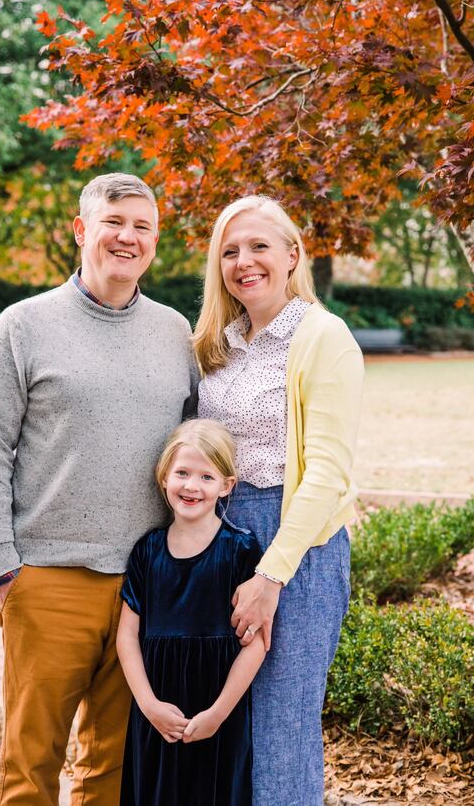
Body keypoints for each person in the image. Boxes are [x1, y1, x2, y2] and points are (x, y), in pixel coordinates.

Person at [0, 173, 199, 806]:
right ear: (81, 231)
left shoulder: (177, 334)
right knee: (29, 764)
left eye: (142, 227)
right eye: (114, 223)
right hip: (47, 579)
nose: (128, 237)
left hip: (146, 585)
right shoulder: (22, 327)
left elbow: (195, 452)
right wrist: (4, 570)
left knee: (114, 768)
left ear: (155, 239)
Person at [194, 195, 364, 806]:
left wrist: (270, 575)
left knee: (280, 726)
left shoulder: (324, 337)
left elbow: (326, 472)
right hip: (218, 537)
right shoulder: (219, 341)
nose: (244, 261)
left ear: (293, 256)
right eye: (230, 251)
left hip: (295, 547)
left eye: (259, 246)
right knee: (220, 721)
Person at [116, 418, 265, 806]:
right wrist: (149, 706)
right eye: (181, 473)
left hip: (218, 709)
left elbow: (257, 644)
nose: (192, 486)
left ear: (226, 486)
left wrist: (217, 713)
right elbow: (127, 636)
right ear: (164, 476)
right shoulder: (147, 551)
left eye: (206, 476)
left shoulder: (241, 551)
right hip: (157, 711)